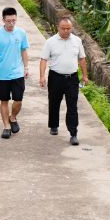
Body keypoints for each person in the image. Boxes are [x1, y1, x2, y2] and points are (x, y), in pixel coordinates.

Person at [39, 15, 89, 145]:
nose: (66, 31)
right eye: (63, 28)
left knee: (72, 106)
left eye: (69, 28)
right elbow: (44, 59)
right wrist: (42, 76)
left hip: (72, 78)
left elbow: (82, 59)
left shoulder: (77, 41)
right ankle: (54, 125)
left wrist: (84, 75)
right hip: (55, 77)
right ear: (58, 28)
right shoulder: (50, 42)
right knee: (54, 102)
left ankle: (73, 133)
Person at [0, 6, 30, 139]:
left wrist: (26, 67)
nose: (11, 23)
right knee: (4, 100)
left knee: (18, 100)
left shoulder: (21, 33)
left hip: (17, 73)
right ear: (3, 20)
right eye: (8, 21)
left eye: (14, 21)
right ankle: (6, 126)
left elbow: (24, 50)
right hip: (2, 74)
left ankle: (13, 117)